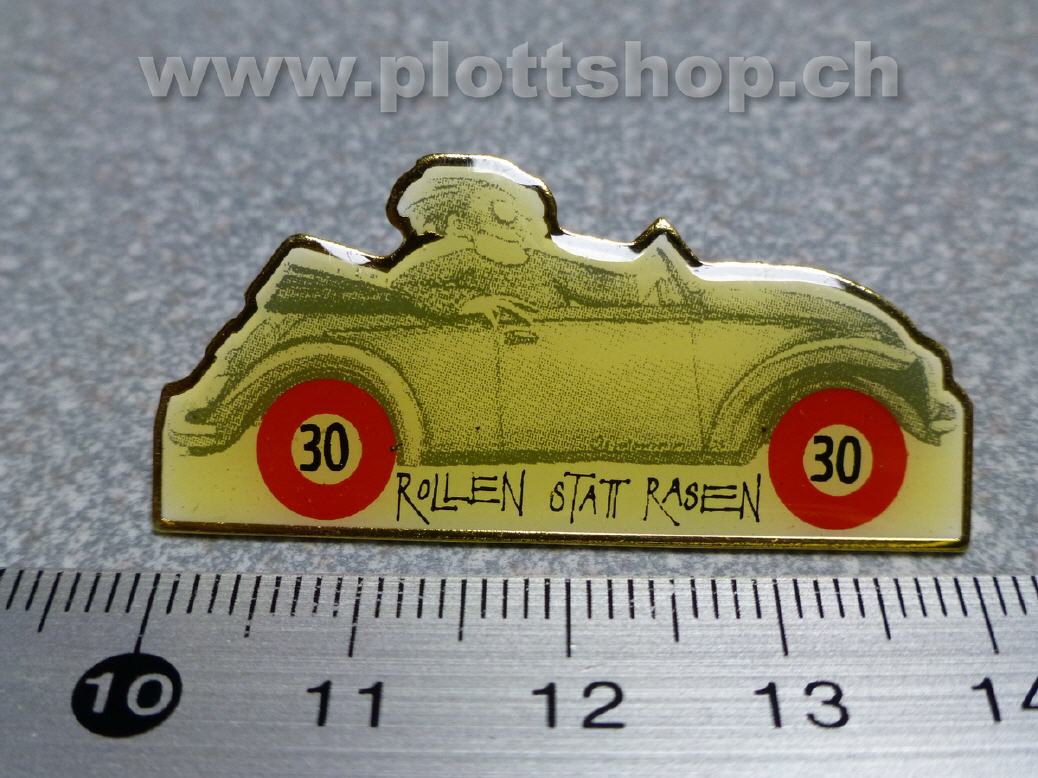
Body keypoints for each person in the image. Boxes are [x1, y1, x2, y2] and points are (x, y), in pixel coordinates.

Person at [386, 157, 687, 326]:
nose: (519, 224)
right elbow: (405, 288)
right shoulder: (454, 260)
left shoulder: (544, 263)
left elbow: (598, 288)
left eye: (525, 214)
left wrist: (650, 273)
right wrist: (469, 304)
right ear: (459, 224)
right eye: (502, 212)